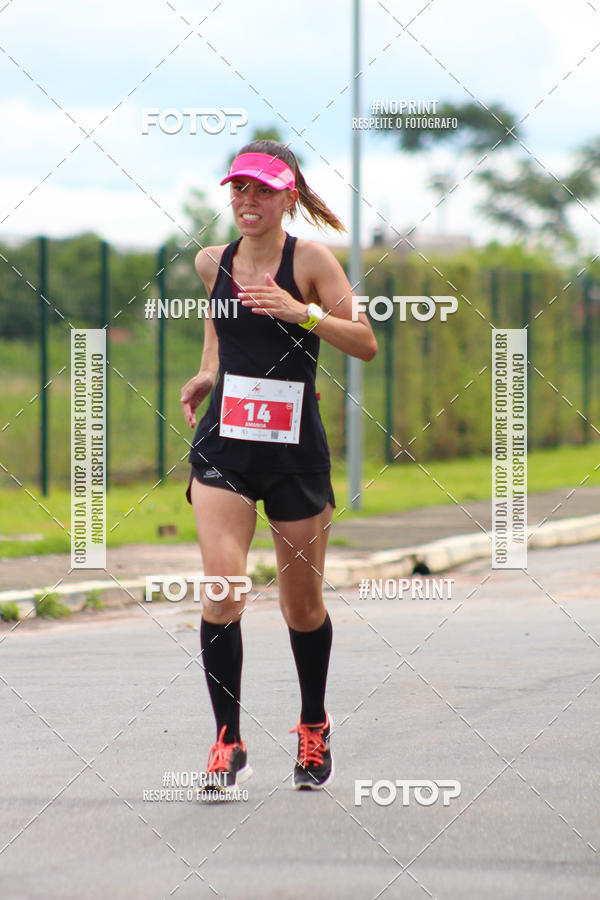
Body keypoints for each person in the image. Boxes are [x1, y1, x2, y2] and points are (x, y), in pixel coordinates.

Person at [180, 140, 377, 792]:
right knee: (222, 589)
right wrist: (209, 373)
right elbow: (219, 326)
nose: (247, 201)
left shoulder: (312, 260)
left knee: (302, 607)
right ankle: (227, 740)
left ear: (288, 196)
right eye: (238, 189)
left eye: (261, 190)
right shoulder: (214, 262)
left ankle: (313, 723)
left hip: (294, 454)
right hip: (226, 446)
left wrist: (303, 313)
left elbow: (365, 343)